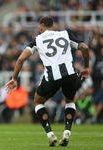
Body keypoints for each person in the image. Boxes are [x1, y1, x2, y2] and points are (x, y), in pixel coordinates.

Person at [5, 16, 90, 147]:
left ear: (40, 28)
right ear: (54, 27)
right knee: (70, 101)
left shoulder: (37, 40)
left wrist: (14, 78)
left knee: (38, 102)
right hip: (70, 75)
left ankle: (50, 134)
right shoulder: (65, 34)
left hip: (52, 77)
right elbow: (85, 48)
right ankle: (67, 131)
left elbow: (21, 59)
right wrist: (85, 67)